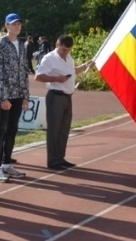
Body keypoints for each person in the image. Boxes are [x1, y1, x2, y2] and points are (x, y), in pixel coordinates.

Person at [35, 35, 94, 169]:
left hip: (67, 97)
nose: (65, 52)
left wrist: (85, 66)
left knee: (64, 130)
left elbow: (72, 72)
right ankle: (53, 161)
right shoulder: (49, 58)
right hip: (56, 96)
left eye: (68, 50)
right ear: (57, 45)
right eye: (63, 49)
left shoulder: (69, 59)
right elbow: (38, 76)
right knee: (54, 130)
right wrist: (57, 79)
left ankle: (60, 158)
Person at [0, 13, 29, 182]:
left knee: (13, 129)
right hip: (3, 96)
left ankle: (7, 163)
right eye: (13, 24)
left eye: (19, 24)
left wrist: (25, 96)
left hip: (18, 95)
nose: (17, 27)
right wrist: (3, 98)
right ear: (6, 25)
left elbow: (24, 71)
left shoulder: (21, 44)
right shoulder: (0, 45)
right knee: (0, 130)